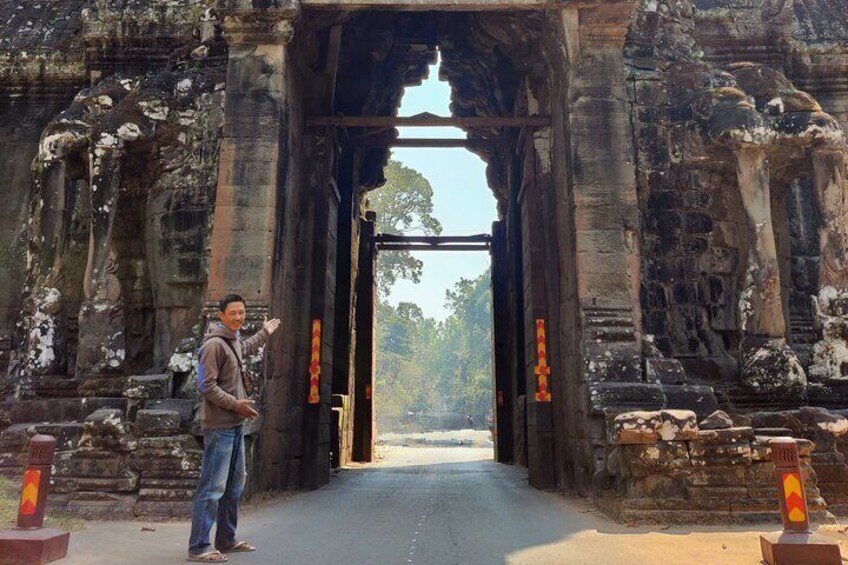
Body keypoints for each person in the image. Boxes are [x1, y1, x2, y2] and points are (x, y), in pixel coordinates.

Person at [187, 294, 281, 563]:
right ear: (221, 316)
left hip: (236, 424)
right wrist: (236, 405)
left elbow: (246, 349)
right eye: (233, 313)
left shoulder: (233, 341)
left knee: (234, 484)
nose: (238, 317)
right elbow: (206, 386)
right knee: (213, 486)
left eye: (241, 312)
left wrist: (264, 332)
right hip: (220, 425)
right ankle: (199, 546)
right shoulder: (214, 345)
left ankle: (226, 538)